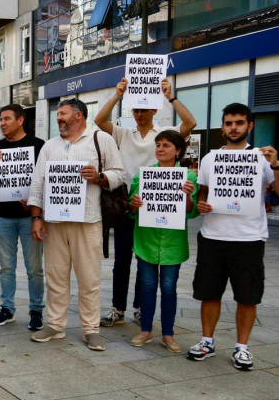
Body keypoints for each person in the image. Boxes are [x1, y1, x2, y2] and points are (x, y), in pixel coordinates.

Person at [94, 77, 196, 327]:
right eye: (135, 109)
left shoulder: (164, 133)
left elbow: (190, 123)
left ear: (154, 109)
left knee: (143, 260)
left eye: (144, 109)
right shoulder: (123, 132)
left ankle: (140, 307)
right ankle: (118, 308)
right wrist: (118, 95)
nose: (139, 113)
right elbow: (99, 121)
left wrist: (170, 96)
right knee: (121, 262)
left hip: (153, 206)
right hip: (126, 202)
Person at [28, 98, 127, 351]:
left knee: (89, 278)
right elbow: (38, 183)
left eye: (62, 114)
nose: (58, 118)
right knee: (56, 277)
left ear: (78, 116)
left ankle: (90, 329)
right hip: (55, 222)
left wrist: (100, 177)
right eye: (58, 114)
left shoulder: (101, 139)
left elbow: (120, 173)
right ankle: (56, 325)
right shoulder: (50, 146)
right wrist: (37, 217)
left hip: (88, 220)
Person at [188, 103, 279, 370]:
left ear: (249, 126)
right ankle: (207, 341)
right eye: (229, 123)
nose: (234, 127)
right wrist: (202, 204)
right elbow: (203, 193)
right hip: (213, 236)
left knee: (247, 296)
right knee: (209, 293)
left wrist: (276, 164)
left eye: (239, 123)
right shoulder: (210, 159)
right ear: (223, 127)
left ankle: (242, 347)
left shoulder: (262, 158)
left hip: (249, 239)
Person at [127, 130, 197, 352]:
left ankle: (168, 334)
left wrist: (187, 196)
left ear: (178, 151)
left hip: (172, 245)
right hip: (146, 241)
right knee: (147, 286)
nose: (160, 149)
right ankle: (145, 330)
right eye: (158, 144)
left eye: (166, 145)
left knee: (169, 288)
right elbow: (130, 209)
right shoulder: (143, 175)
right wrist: (134, 204)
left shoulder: (189, 177)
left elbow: (191, 212)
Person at [0, 104, 46, 330]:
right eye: (0, 119)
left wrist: (34, 202)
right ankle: (7, 308)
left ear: (20, 121)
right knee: (6, 267)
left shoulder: (38, 146)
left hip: (30, 216)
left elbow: (45, 181)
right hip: (3, 217)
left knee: (35, 268)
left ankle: (36, 310)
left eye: (7, 119)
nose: (2, 123)